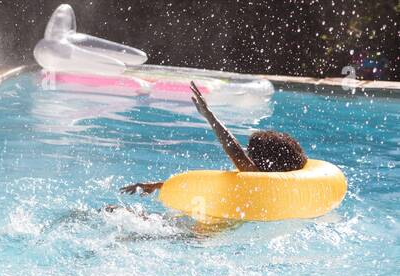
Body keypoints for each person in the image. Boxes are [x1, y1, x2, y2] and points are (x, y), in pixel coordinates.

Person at [121, 81, 309, 195]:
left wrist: (209, 116)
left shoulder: (258, 180)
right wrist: (157, 186)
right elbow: (206, 183)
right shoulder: (286, 182)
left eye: (249, 153)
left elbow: (233, 150)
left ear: (263, 162)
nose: (245, 153)